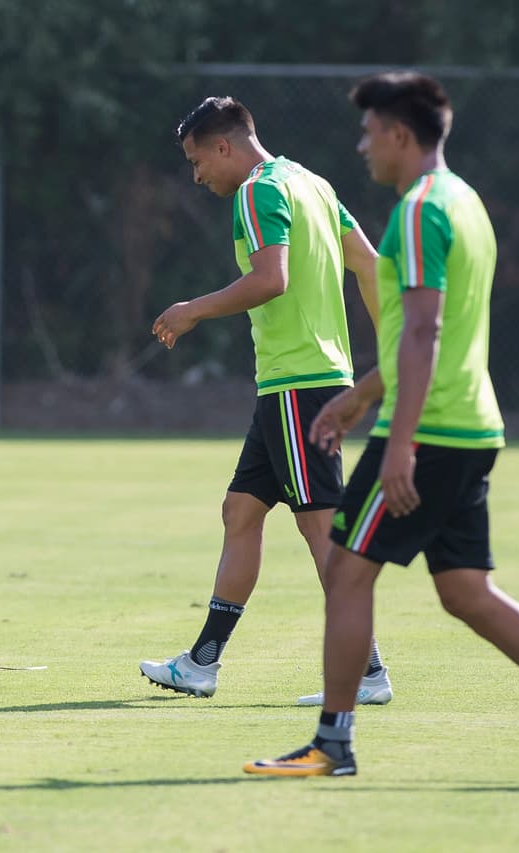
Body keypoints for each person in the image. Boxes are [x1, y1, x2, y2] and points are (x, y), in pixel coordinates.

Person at [245, 72, 519, 781]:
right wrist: (361, 396)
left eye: (369, 133)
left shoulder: (419, 210)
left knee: (346, 572)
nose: (361, 147)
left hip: (431, 432)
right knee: (464, 591)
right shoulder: (466, 202)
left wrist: (397, 443)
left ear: (400, 135)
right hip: (474, 426)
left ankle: (333, 742)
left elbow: (422, 334)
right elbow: (430, 331)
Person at [139, 96, 388, 705]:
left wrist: (191, 309)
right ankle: (202, 662)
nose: (198, 177)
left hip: (298, 386)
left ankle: (368, 672)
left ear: (224, 146)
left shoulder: (257, 191)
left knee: (320, 529)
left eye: (198, 162)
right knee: (241, 512)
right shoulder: (313, 184)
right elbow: (369, 266)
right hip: (299, 383)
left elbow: (269, 279)